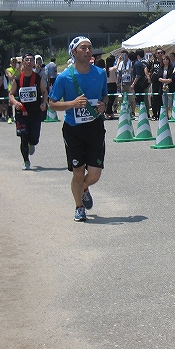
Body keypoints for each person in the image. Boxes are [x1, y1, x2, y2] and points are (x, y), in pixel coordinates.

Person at [49, 36, 108, 222]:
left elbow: (105, 96)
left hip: (95, 127)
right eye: (83, 48)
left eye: (90, 47)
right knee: (77, 171)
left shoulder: (100, 73)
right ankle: (79, 207)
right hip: (73, 129)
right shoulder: (64, 77)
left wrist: (103, 106)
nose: (88, 51)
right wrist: (72, 103)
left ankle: (83, 188)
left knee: (95, 174)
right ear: (73, 52)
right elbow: (52, 103)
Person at [8, 52, 48, 170]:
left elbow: (45, 92)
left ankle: (32, 143)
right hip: (22, 113)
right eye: (27, 60)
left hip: (35, 112)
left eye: (31, 60)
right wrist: (15, 103)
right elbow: (10, 94)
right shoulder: (17, 79)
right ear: (23, 63)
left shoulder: (38, 78)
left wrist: (44, 103)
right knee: (23, 137)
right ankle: (26, 161)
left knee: (34, 138)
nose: (29, 62)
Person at [131, 49, 150, 118]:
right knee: (145, 97)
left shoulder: (140, 62)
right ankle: (146, 112)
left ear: (138, 55)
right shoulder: (147, 60)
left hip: (143, 82)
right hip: (146, 81)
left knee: (143, 98)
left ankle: (145, 113)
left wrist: (148, 77)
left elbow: (145, 70)